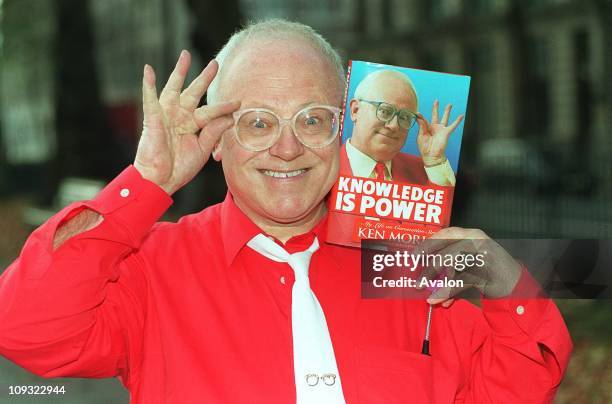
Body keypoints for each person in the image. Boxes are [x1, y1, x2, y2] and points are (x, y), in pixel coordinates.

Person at [0, 19, 571, 403]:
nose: (288, 147)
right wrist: (147, 182)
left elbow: (521, 382)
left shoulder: (409, 262)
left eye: (313, 119)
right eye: (257, 122)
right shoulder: (153, 267)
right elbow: (26, 329)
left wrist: (503, 280)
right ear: (215, 138)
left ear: (343, 129)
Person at [341, 69, 460, 186]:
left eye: (404, 117)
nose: (393, 126)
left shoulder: (430, 172)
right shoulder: (328, 165)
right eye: (384, 111)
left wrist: (435, 160)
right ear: (355, 110)